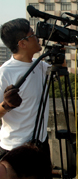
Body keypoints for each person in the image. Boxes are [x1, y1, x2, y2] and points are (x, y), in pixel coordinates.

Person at [0, 18, 51, 165]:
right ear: (22, 44)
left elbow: (60, 70)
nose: (37, 38)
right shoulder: (5, 72)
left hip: (40, 141)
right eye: (33, 35)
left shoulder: (40, 65)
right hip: (15, 147)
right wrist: (6, 105)